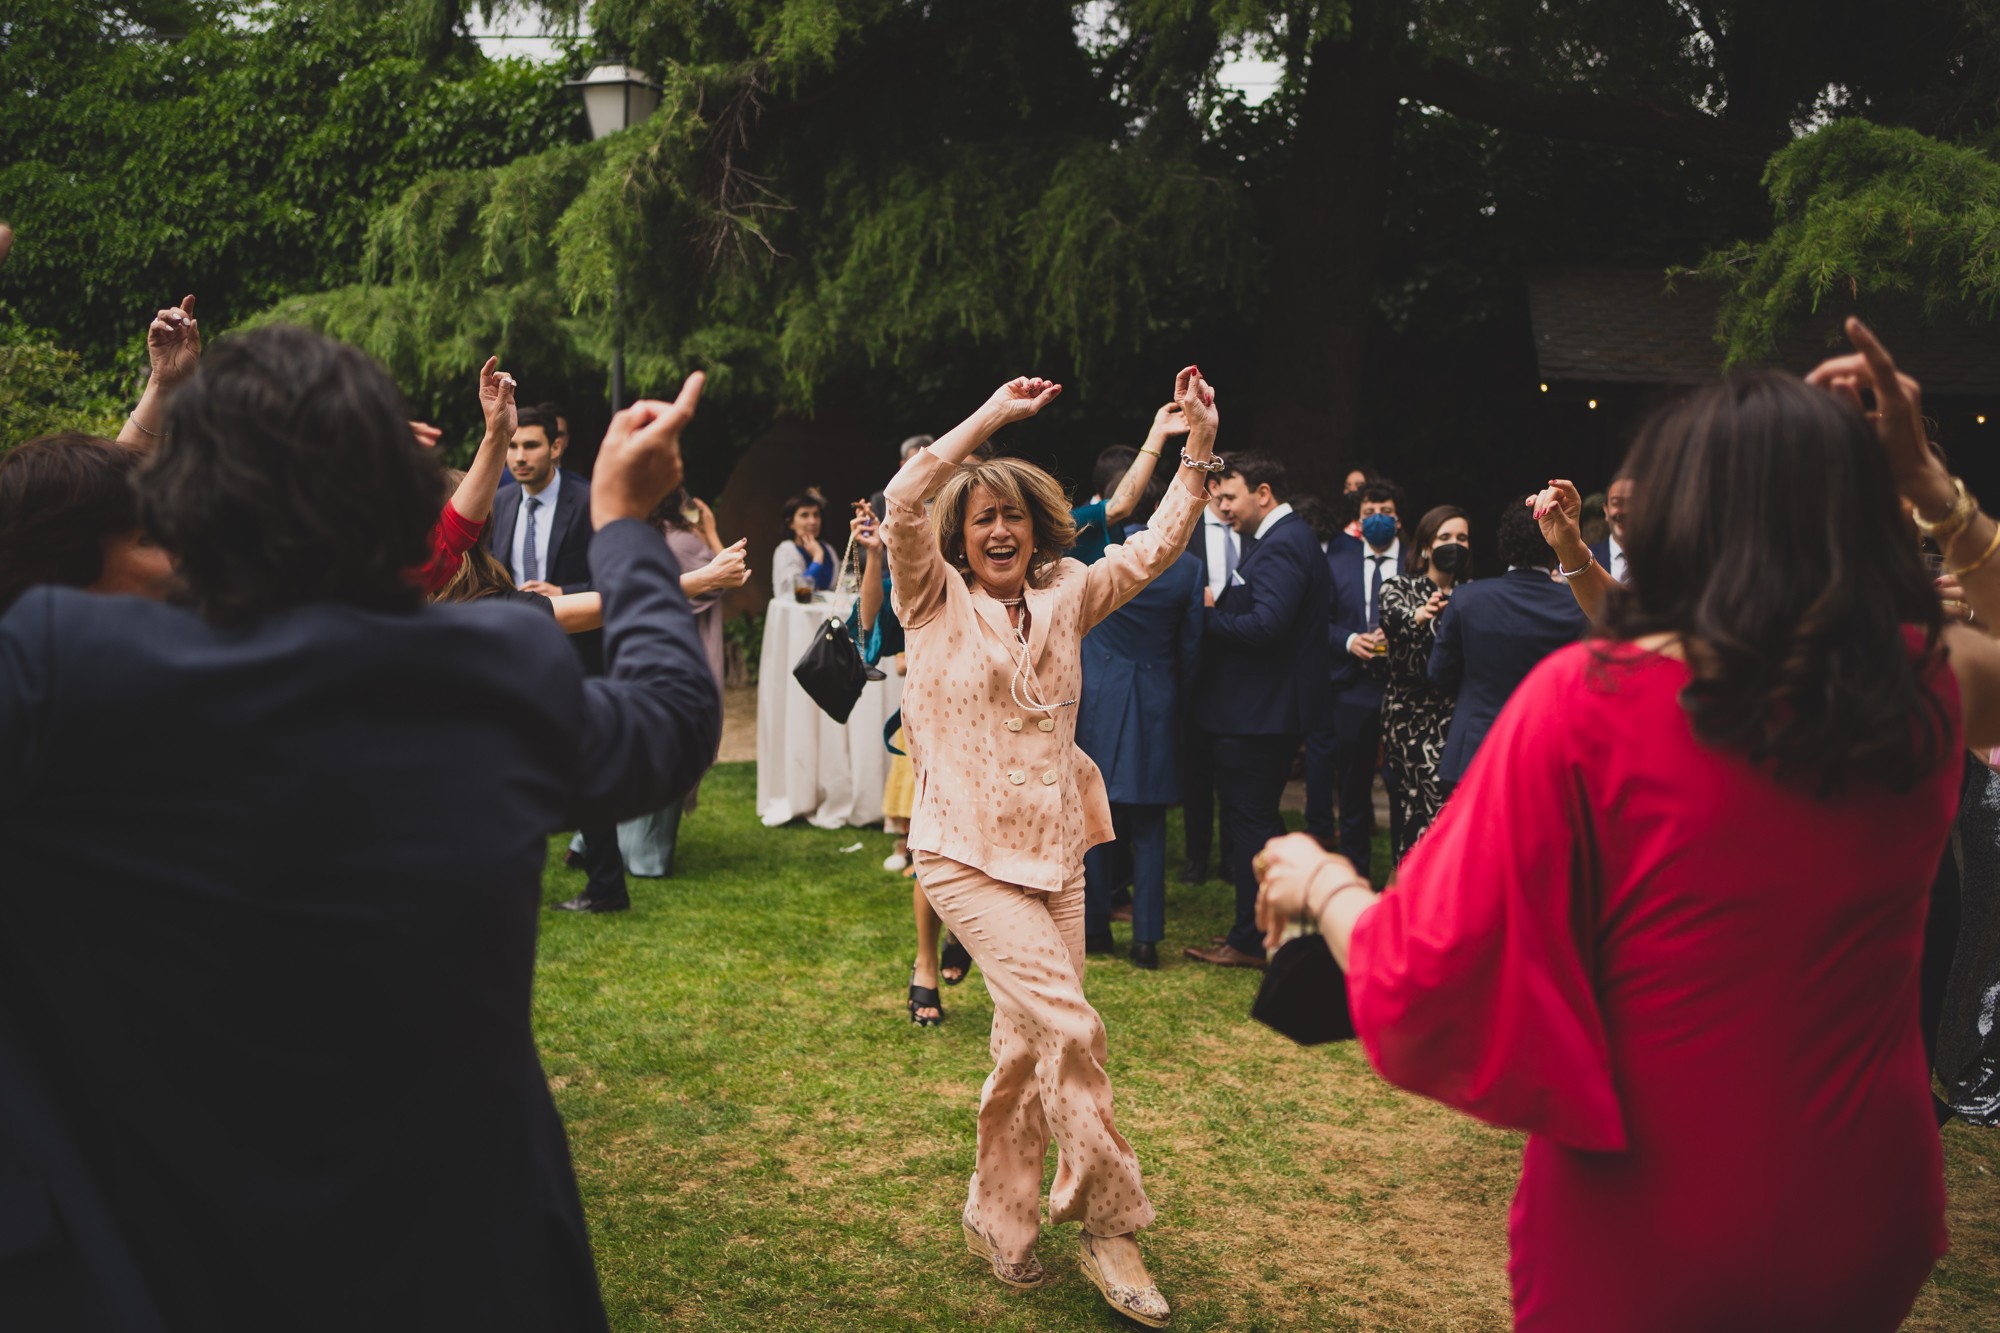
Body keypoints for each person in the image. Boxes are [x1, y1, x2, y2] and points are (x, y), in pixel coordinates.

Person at [1252, 320, 2000, 1331]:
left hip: (1652, 1210)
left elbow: (1422, 968)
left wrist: (1322, 882)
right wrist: (1933, 490)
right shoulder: (1918, 679)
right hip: (1862, 1198)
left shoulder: (1587, 701)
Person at [0, 323, 719, 1331]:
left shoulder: (63, 673)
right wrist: (625, 523)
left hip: (189, 1266)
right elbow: (672, 721)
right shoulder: (496, 671)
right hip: (471, 1270)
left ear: (179, 504)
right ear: (396, 490)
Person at [881, 367, 1218, 1327]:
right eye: (982, 517)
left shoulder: (1070, 591)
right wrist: (992, 416)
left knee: (1028, 1049)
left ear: (1037, 528)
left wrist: (1196, 447)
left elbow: (1153, 548)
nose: (998, 531)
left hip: (1059, 852)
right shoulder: (930, 596)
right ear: (959, 534)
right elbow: (904, 497)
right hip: (964, 854)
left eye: (1013, 518)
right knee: (1071, 1029)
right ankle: (1112, 1224)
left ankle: (1001, 1217)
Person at [1184, 450, 1331, 970]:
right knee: (1258, 823)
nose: (1224, 507)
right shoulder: (1282, 542)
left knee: (1252, 828)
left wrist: (1206, 617)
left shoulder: (1282, 546)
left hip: (1257, 716)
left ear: (1263, 494)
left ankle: (1254, 937)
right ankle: (1285, 925)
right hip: (1259, 712)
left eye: (1230, 496)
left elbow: (1268, 625)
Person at [486, 403, 623, 912]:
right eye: (513, 446)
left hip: (578, 651)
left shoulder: (590, 501)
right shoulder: (498, 503)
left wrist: (567, 590)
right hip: (512, 654)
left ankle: (607, 885)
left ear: (556, 447)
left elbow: (618, 577)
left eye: (530, 445)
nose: (519, 457)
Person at [850, 506, 973, 1026]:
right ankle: (925, 962)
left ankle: (962, 931)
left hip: (997, 733)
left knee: (982, 851)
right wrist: (875, 555)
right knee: (932, 849)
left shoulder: (988, 561)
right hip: (937, 734)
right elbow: (874, 633)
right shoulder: (914, 573)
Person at [1077, 475, 1205, 969]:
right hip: (1158, 696)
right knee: (1150, 824)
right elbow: (1191, 647)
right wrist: (1178, 695)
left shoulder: (1097, 552)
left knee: (1095, 816)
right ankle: (1147, 940)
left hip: (1098, 698)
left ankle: (1095, 928)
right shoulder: (1188, 568)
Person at [1426, 500, 1587, 791]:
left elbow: (1439, 674)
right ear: (1553, 547)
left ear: (1504, 544)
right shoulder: (1577, 606)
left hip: (1475, 747)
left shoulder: (1466, 598)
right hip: (1548, 751)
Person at [1312, 477, 1403, 875]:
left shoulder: (1416, 561)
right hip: (1351, 686)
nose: (1377, 520)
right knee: (1352, 786)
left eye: (1385, 513)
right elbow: (1319, 622)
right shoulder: (1337, 562)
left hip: (1403, 685)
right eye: (1369, 514)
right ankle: (1355, 877)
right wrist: (1350, 641)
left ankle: (1408, 873)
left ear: (1398, 521)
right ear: (1358, 519)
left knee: (1403, 784)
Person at [1378, 505, 1469, 859]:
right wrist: (1421, 614)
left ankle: (1411, 883)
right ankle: (1419, 886)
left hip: (1455, 715)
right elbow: (1394, 618)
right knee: (1429, 799)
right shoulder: (1399, 587)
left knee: (1439, 806)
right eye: (1445, 537)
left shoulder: (1471, 593)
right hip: (1409, 715)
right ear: (1427, 546)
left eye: (1462, 538)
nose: (1455, 545)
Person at [1179, 480, 1239, 883]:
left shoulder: (1256, 534)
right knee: (1196, 771)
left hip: (1241, 662)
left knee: (1235, 771)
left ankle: (1233, 859)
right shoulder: (1190, 530)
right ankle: (1196, 858)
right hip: (1197, 661)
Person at [1065, 403, 1187, 565]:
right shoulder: (1052, 529)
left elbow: (1119, 507)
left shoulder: (1061, 526)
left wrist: (1159, 433)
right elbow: (1119, 508)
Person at [771, 492, 837, 592]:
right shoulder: (786, 551)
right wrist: (818, 557)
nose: (813, 521)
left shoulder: (828, 550)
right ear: (790, 523)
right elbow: (797, 592)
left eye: (816, 515)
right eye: (804, 515)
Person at [1588, 472, 1632, 582]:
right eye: (1617, 503)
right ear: (1606, 511)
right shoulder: (1587, 558)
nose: (1625, 511)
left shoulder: (1660, 558)